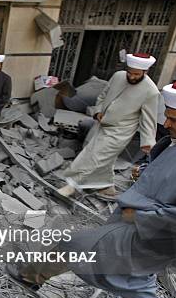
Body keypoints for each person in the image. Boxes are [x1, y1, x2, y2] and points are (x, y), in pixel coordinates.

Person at [7, 80, 176, 298]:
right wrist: (144, 174)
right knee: (134, 276)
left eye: (173, 118)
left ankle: (30, 277)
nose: (166, 123)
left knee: (74, 245)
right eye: (166, 115)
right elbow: (170, 176)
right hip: (134, 222)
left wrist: (141, 217)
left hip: (150, 230)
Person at [58, 53, 160, 199]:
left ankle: (72, 185)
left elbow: (149, 119)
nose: (131, 77)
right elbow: (102, 95)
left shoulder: (151, 91)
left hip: (121, 131)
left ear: (145, 72)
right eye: (129, 73)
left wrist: (148, 142)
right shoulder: (118, 76)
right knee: (104, 157)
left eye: (136, 74)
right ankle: (106, 187)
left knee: (95, 155)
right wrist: (98, 111)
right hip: (102, 123)